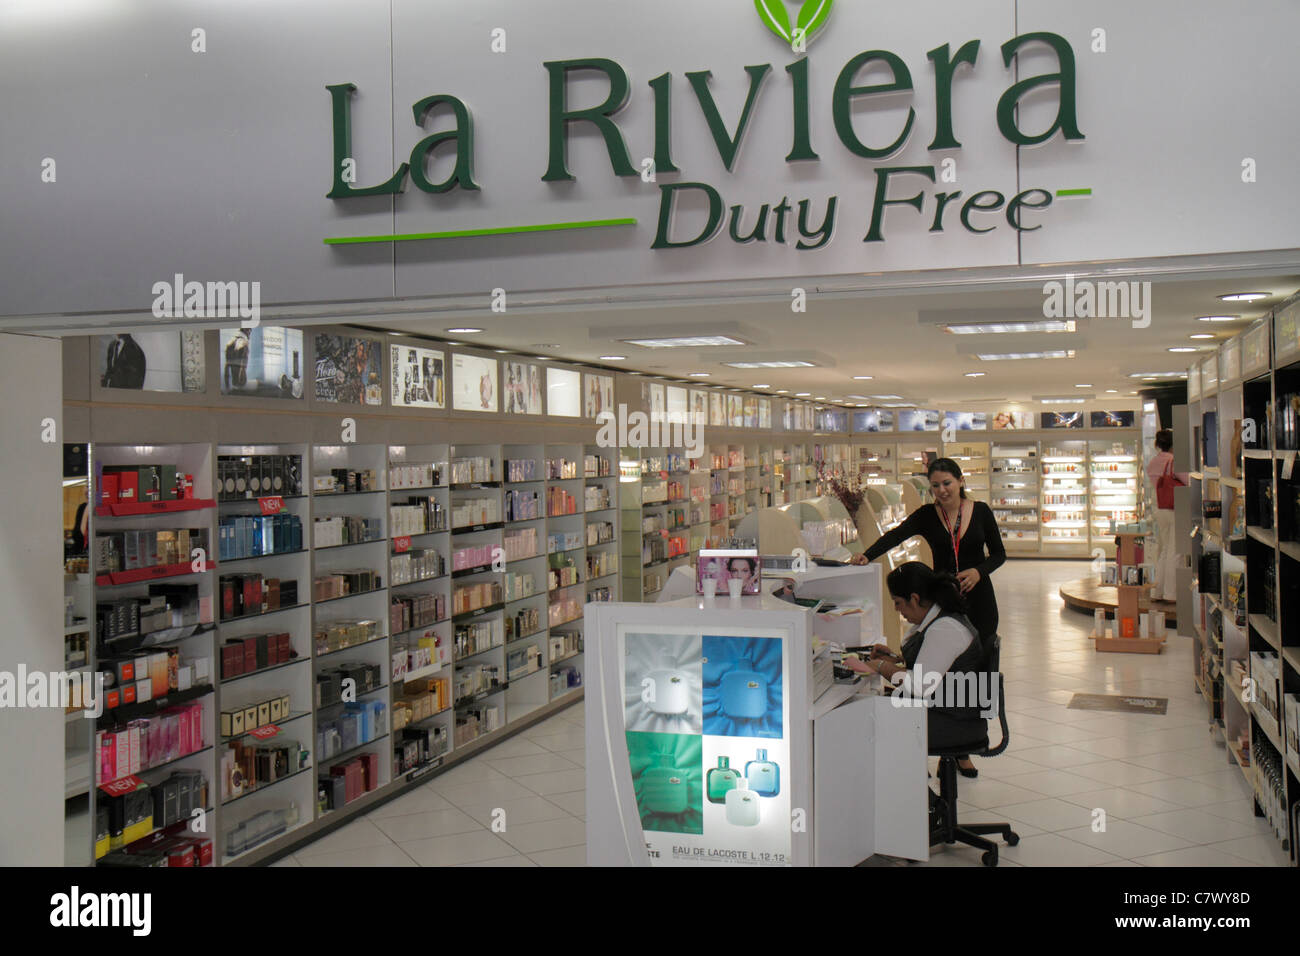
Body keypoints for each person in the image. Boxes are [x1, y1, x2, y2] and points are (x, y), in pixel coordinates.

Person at [851, 457, 1005, 776]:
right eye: (935, 485)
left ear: (960, 481)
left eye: (947, 483)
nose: (941, 490)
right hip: (946, 597)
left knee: (971, 667)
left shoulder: (981, 511)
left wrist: (978, 571)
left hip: (979, 598)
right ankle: (941, 736)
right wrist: (867, 555)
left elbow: (999, 554)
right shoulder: (927, 515)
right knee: (935, 660)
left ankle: (961, 745)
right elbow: (896, 535)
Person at [845, 562, 988, 749]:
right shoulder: (941, 619)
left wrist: (880, 667)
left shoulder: (945, 629)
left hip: (954, 723)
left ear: (914, 599)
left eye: (898, 603)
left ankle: (901, 775)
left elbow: (920, 686)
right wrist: (896, 661)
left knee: (864, 722)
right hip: (950, 713)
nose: (898, 611)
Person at [1146, 429, 1188, 601]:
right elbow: (1188, 481)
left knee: (1164, 550)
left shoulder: (1153, 462)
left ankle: (1158, 590)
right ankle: (1171, 593)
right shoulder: (1173, 461)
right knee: (1176, 551)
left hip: (1159, 508)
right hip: (1175, 508)